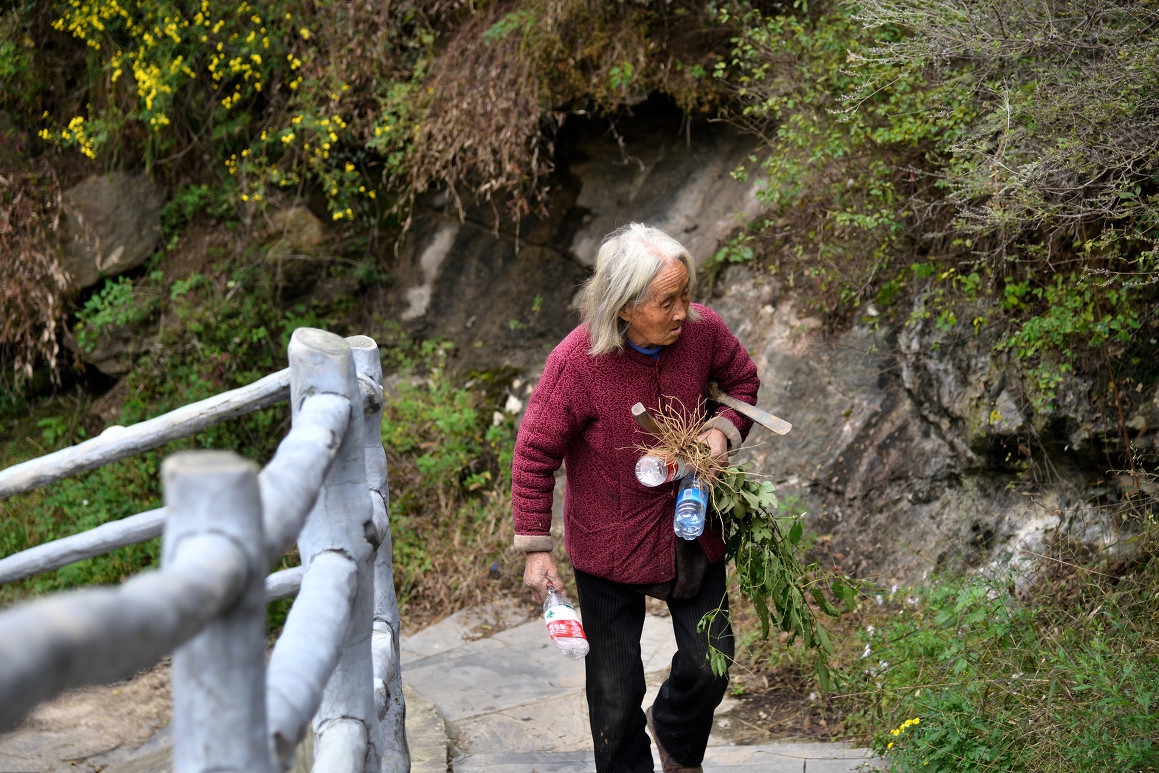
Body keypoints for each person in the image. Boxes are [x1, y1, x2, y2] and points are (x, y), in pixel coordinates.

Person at [511, 223, 760, 773]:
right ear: (623, 307)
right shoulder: (576, 363)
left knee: (710, 663)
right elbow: (535, 452)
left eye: (686, 295)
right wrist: (536, 548)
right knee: (615, 695)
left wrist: (720, 430)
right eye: (667, 301)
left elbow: (742, 382)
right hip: (609, 543)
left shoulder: (703, 331)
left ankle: (674, 733)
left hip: (692, 528)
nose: (682, 312)